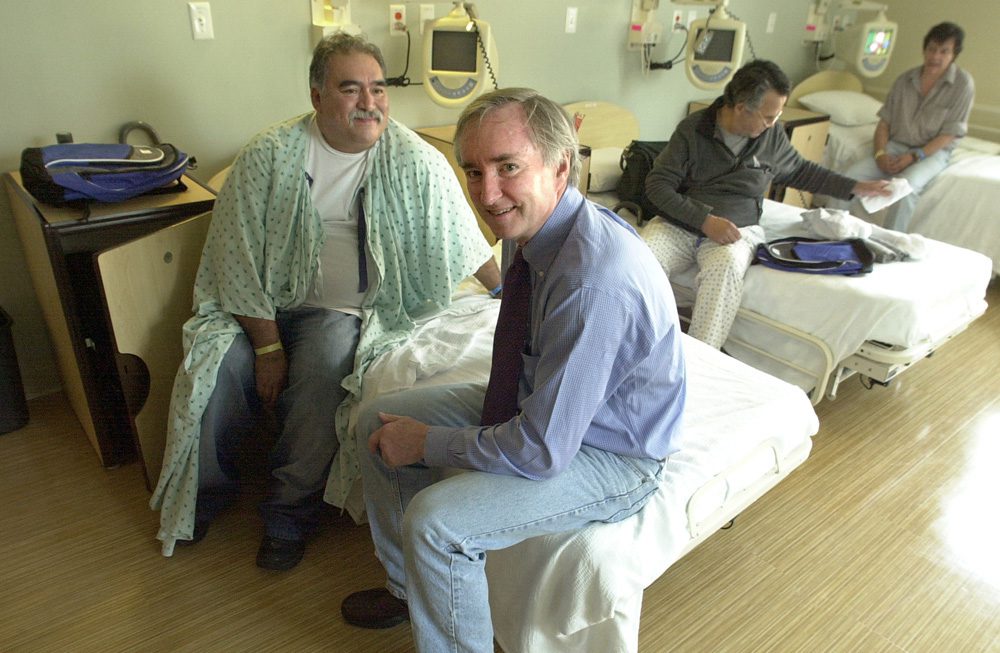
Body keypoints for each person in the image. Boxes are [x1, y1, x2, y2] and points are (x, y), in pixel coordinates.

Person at [339, 88, 687, 651]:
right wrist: (432, 435)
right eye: (474, 172)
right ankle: (409, 591)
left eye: (508, 168)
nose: (488, 193)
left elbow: (543, 449)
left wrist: (430, 444)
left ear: (559, 167)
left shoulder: (593, 280)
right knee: (376, 421)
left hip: (613, 453)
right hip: (544, 407)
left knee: (437, 523)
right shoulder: (529, 233)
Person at [149, 33, 499, 569]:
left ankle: (288, 514)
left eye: (379, 89)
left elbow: (461, 237)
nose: (370, 102)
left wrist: (507, 292)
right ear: (316, 97)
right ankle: (204, 496)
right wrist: (266, 350)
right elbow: (236, 258)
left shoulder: (413, 160)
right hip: (256, 305)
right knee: (215, 372)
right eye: (351, 88)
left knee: (323, 374)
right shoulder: (268, 157)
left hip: (342, 313)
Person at [643, 59, 890, 350]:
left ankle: (701, 362)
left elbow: (802, 171)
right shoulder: (693, 131)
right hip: (680, 225)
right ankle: (638, 346)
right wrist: (705, 221)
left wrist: (855, 187)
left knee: (724, 272)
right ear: (741, 107)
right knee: (640, 258)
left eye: (776, 116)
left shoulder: (770, 138)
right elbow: (656, 186)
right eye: (767, 116)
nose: (773, 124)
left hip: (737, 228)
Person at [832, 22, 974, 232]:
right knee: (846, 179)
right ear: (924, 50)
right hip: (895, 146)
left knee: (904, 189)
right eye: (932, 49)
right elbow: (884, 123)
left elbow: (948, 135)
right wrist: (880, 153)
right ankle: (831, 230)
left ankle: (891, 243)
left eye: (944, 51)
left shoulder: (962, 84)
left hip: (932, 152)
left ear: (954, 55)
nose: (935, 56)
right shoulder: (905, 80)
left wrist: (914, 157)